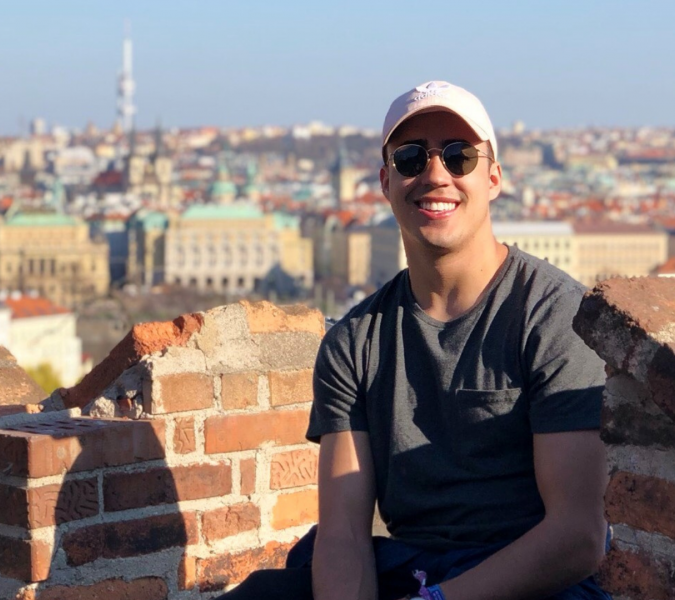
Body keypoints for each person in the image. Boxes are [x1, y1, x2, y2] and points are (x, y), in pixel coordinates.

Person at [218, 81, 610, 600]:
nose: (435, 174)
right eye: (411, 158)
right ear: (386, 181)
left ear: (493, 177)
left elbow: (577, 538)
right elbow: (343, 535)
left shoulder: (555, 316)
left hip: (528, 575)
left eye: (459, 156)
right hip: (411, 567)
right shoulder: (353, 342)